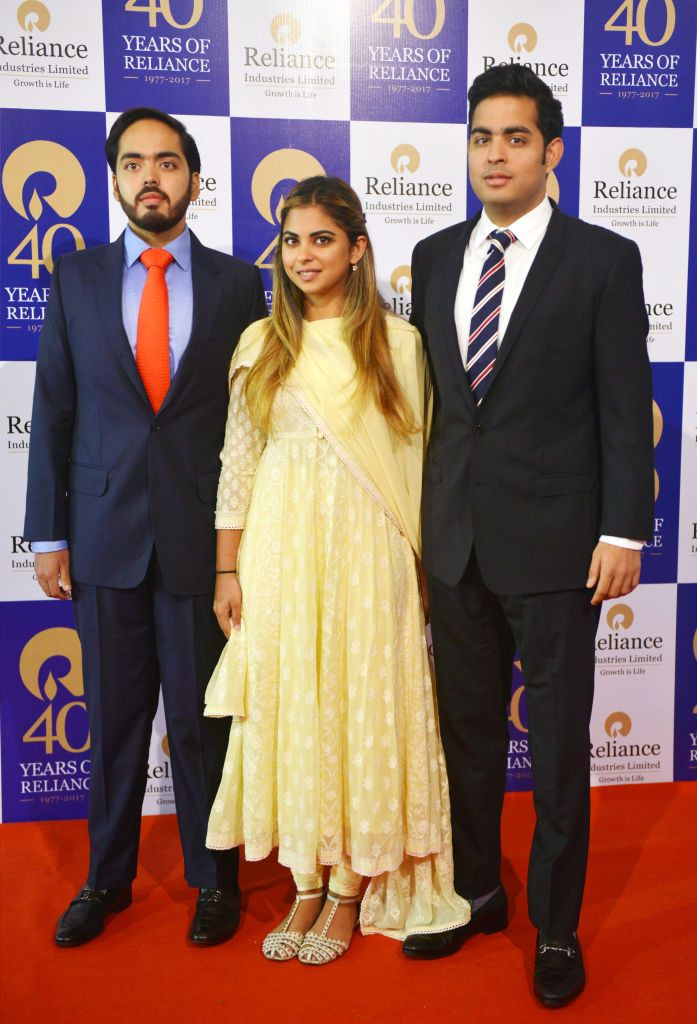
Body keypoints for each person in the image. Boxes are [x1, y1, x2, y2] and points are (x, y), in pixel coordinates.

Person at [402, 65, 654, 1008]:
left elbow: (627, 412)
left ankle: (553, 928)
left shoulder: (602, 258)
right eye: (480, 138)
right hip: (456, 544)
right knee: (465, 738)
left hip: (557, 550)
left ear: (551, 151)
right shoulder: (430, 257)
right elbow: (431, 413)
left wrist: (623, 529)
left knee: (554, 749)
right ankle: (474, 896)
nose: (494, 154)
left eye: (514, 138)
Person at [203, 175, 469, 964]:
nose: (303, 256)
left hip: (369, 550)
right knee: (294, 710)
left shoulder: (398, 343)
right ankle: (305, 882)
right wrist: (227, 569)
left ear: (356, 250)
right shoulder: (259, 342)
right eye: (291, 241)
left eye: (322, 239)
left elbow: (420, 459)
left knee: (359, 706)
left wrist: (421, 568)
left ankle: (351, 888)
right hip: (279, 551)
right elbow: (238, 462)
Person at [23, 107, 266, 948]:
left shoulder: (241, 284)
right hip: (102, 538)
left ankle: (214, 879)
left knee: (206, 725)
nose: (150, 177)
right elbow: (54, 409)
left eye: (167, 162)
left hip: (205, 543)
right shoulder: (75, 277)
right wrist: (46, 537)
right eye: (133, 164)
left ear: (195, 179)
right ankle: (105, 878)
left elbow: (251, 423)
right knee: (118, 720)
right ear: (116, 178)